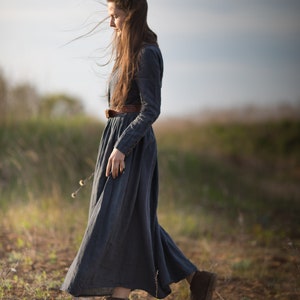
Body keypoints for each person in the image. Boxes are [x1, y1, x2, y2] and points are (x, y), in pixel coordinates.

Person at [61, 0, 216, 299]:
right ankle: (197, 279)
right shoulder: (127, 52)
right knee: (131, 219)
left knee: (115, 218)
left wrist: (121, 147)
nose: (111, 24)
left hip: (131, 146)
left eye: (115, 16)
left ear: (131, 15)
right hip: (116, 139)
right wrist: (114, 142)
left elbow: (150, 110)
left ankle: (118, 294)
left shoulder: (147, 53)